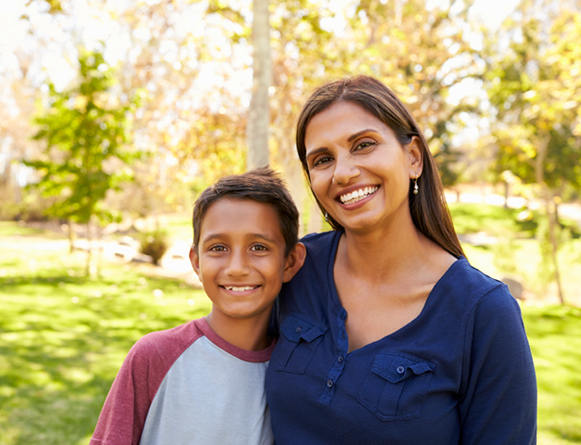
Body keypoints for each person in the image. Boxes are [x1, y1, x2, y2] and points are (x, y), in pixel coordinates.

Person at [265, 76, 537, 444]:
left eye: (363, 145)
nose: (343, 172)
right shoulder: (295, 269)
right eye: (323, 159)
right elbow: (225, 360)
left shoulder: (483, 314)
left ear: (413, 158)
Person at [90, 167, 306, 445]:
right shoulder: (153, 357)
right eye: (218, 248)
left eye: (259, 247)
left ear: (290, 261)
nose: (237, 268)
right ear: (196, 261)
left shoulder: (295, 371)